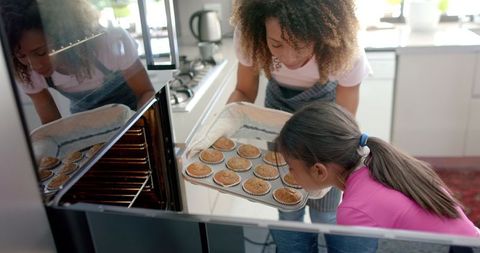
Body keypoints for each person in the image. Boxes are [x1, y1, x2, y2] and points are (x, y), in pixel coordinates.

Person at [228, 0, 370, 251]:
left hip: (328, 121)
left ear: (321, 33)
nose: (288, 57)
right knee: (289, 208)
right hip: (278, 113)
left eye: (300, 45)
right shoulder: (250, 34)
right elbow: (243, 91)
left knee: (325, 214)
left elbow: (344, 126)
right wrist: (223, 126)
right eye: (276, 44)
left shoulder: (345, 49)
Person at [276, 101, 480, 240]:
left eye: (291, 167)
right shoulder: (382, 162)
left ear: (319, 171)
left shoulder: (353, 211)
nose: (290, 174)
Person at [1, 0, 155, 125]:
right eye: (21, 55)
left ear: (63, 36)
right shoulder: (26, 72)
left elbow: (145, 93)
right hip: (87, 126)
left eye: (40, 52)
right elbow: (52, 125)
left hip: (135, 114)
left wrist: (138, 125)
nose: (34, 65)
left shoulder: (109, 42)